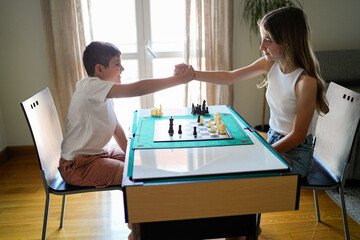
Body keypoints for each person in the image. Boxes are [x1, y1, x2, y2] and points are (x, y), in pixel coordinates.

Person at [176, 7, 329, 239]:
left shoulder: (305, 82)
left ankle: (242, 230)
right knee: (227, 160)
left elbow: (298, 136)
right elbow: (230, 77)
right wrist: (194, 74)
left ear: (286, 40)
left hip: (297, 154)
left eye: (268, 40)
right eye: (262, 39)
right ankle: (242, 227)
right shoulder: (270, 64)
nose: (261, 47)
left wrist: (262, 152)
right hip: (276, 142)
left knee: (241, 173)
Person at [58, 41, 194, 190]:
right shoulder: (91, 86)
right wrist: (179, 80)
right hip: (78, 166)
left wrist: (131, 155)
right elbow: (138, 88)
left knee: (143, 164)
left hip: (98, 154)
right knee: (140, 173)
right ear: (100, 69)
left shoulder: (102, 92)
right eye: (117, 64)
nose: (122, 69)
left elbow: (115, 127)